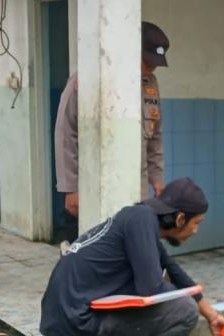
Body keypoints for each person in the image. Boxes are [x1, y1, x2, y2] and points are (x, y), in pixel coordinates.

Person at [39, 177, 224, 336]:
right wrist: (178, 296)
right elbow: (150, 288)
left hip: (67, 325)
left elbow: (174, 272)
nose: (195, 230)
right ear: (179, 219)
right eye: (196, 223)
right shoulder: (141, 221)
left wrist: (212, 316)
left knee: (176, 298)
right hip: (76, 331)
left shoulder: (138, 219)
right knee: (184, 310)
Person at [54, 21, 170, 242]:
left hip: (138, 187)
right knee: (94, 245)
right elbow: (65, 134)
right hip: (96, 185)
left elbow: (155, 135)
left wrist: (157, 177)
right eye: (147, 62)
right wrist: (70, 188)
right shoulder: (88, 80)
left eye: (155, 64)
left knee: (134, 243)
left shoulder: (150, 84)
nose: (151, 68)